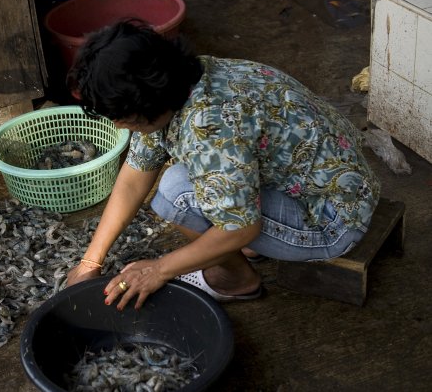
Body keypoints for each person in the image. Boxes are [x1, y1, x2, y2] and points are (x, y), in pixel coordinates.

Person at [65, 20, 380, 310]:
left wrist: (158, 270)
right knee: (186, 184)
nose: (119, 126)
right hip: (334, 182)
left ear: (146, 104)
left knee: (177, 192)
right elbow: (135, 174)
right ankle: (258, 247)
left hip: (332, 220)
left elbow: (240, 227)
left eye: (123, 118)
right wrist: (90, 261)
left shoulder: (209, 128)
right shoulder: (181, 80)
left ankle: (236, 280)